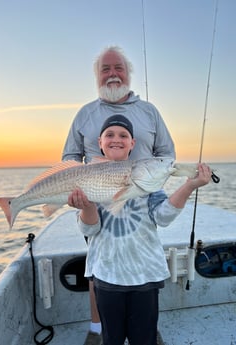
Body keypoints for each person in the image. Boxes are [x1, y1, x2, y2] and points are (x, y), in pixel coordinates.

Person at [62, 45, 175, 345]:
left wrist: (149, 185)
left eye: (118, 68)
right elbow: (69, 156)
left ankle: (145, 327)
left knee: (139, 259)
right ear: (97, 76)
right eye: (105, 69)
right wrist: (78, 184)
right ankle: (98, 327)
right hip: (95, 201)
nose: (112, 74)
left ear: (128, 74)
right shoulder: (85, 114)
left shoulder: (149, 111)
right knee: (99, 263)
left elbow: (167, 154)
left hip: (141, 201)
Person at [67, 115, 212, 345]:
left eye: (123, 135)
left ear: (133, 143)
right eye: (110, 135)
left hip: (145, 276)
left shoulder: (149, 180)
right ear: (100, 142)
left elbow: (163, 217)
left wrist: (189, 185)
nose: (117, 139)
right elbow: (89, 229)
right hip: (107, 276)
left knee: (144, 339)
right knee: (111, 339)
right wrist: (87, 206)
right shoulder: (87, 176)